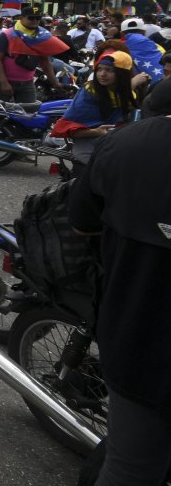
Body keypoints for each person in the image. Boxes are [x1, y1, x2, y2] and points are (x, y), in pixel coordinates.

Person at [68, 94, 171, 485]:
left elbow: (82, 223)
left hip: (137, 331)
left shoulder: (124, 142)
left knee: (131, 467)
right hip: (143, 338)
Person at [52, 50, 145, 166]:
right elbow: (69, 127)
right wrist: (96, 131)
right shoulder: (90, 91)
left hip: (117, 142)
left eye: (109, 70)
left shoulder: (130, 94)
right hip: (89, 145)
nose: (102, 74)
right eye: (99, 69)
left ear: (122, 74)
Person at [0, 5, 64, 103]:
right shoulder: (7, 35)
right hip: (3, 82)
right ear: (21, 18)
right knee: (0, 115)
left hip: (27, 83)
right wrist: (4, 83)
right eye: (31, 18)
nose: (35, 20)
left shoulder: (43, 36)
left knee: (29, 114)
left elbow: (45, 62)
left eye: (38, 18)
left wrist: (55, 82)